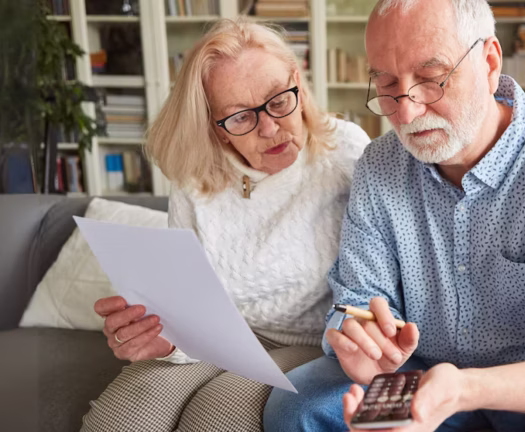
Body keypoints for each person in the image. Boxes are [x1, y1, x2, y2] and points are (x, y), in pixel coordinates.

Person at [263, 1, 525, 431]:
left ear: (489, 62)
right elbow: (355, 299)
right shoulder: (379, 166)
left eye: (432, 80)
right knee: (294, 408)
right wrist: (356, 340)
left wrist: (468, 387)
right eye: (388, 85)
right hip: (420, 381)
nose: (407, 113)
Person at [83, 19, 369, 429]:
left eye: (278, 100)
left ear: (297, 82)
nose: (270, 128)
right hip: (208, 338)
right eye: (239, 118)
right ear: (214, 127)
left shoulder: (346, 151)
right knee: (118, 422)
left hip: (305, 343)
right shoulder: (194, 173)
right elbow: (184, 296)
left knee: (214, 418)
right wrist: (164, 339)